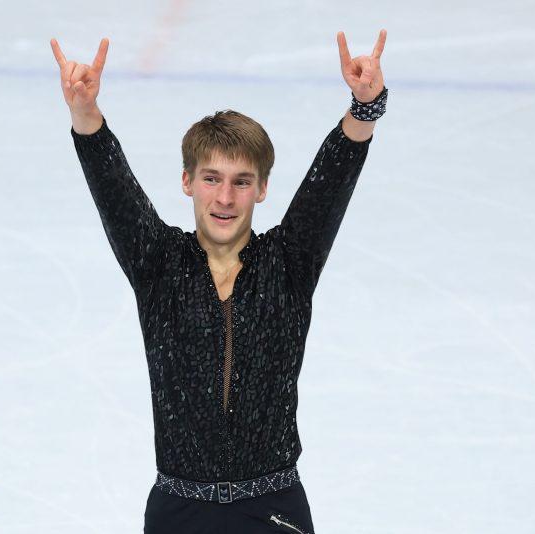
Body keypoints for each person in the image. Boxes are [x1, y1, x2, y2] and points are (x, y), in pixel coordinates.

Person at [50, 29, 388, 534]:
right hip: (179, 510)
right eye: (211, 178)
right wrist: (85, 113)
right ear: (188, 181)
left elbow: (331, 181)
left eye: (241, 182)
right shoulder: (158, 263)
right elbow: (113, 186)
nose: (225, 198)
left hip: (272, 508)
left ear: (261, 188)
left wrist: (365, 108)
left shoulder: (288, 263)